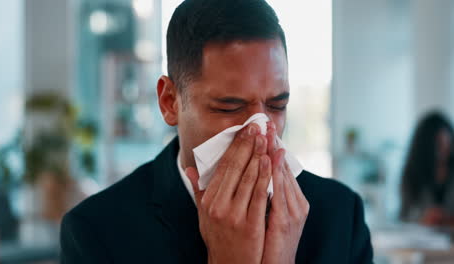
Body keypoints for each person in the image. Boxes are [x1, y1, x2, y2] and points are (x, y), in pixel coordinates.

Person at [60, 0, 373, 263]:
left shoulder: (339, 217)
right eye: (229, 108)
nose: (261, 132)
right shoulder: (97, 231)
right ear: (170, 102)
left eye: (277, 106)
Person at [400, 111, 454, 226]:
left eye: (447, 143)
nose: (444, 150)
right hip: (422, 238)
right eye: (439, 145)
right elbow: (404, 215)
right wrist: (422, 218)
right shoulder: (412, 173)